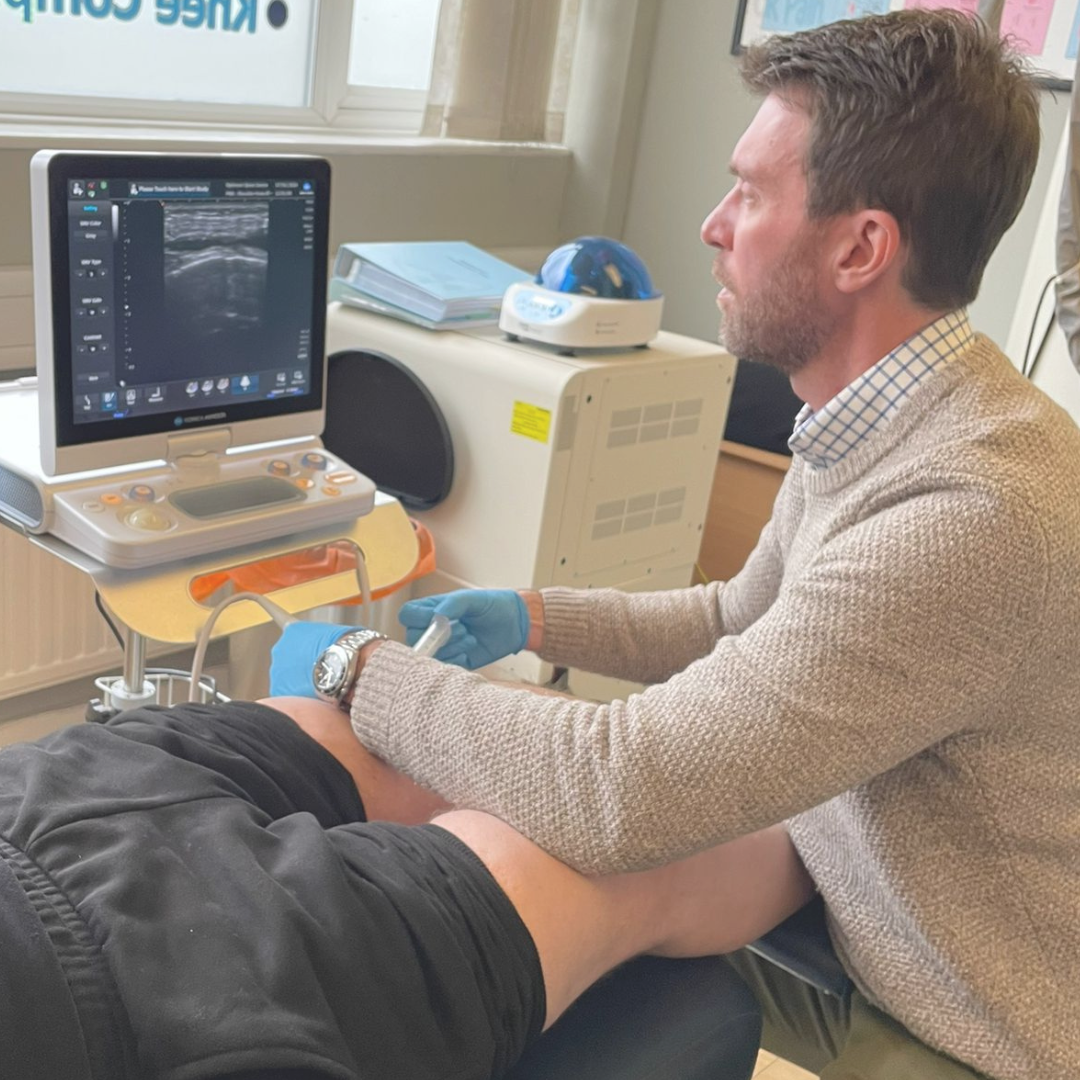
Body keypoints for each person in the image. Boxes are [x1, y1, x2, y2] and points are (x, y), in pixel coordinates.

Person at [271, 10, 1080, 1080]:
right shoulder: (893, 412)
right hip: (852, 884)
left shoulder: (968, 514)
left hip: (951, 1013)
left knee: (542, 852)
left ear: (861, 247)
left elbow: (614, 790)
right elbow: (739, 618)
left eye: (749, 192)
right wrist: (535, 614)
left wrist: (351, 667)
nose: (711, 223)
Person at [0, 694, 810, 1079]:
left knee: (339, 728)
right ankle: (833, 839)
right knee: (628, 858)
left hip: (24, 807)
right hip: (100, 1010)